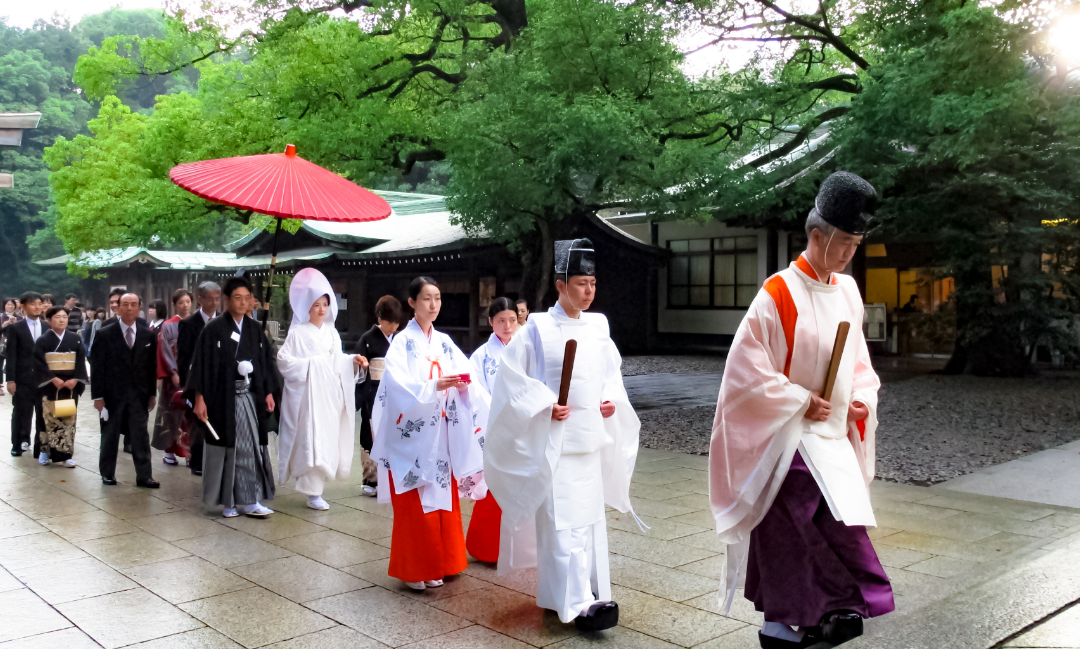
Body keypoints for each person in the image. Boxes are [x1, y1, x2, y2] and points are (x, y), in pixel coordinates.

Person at [709, 172, 893, 649]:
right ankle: (791, 619)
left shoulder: (849, 292)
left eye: (857, 242)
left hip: (830, 433)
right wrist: (797, 398)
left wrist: (860, 399)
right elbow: (744, 373)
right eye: (845, 242)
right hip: (785, 433)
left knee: (841, 518)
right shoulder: (777, 293)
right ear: (817, 235)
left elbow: (860, 364)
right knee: (794, 508)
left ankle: (826, 610)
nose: (851, 252)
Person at [484, 238, 639, 632]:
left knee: (586, 523)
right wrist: (543, 405)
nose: (588, 291)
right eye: (581, 283)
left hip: (589, 440)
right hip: (553, 442)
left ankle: (579, 595)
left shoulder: (599, 325)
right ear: (560, 284)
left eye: (593, 283)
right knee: (561, 525)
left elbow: (610, 374)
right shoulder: (536, 328)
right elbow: (511, 380)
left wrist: (609, 399)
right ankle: (575, 605)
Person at [371, 276, 488, 591]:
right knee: (415, 502)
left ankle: (443, 562)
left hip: (442, 434)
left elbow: (468, 376)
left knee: (441, 500)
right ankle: (416, 568)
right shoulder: (401, 343)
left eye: (437, 298)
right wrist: (434, 386)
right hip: (413, 437)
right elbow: (395, 386)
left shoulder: (445, 342)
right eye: (426, 298)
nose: (433, 304)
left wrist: (462, 384)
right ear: (412, 302)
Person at [186, 276, 278, 519]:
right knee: (227, 449)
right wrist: (199, 398)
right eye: (237, 298)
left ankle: (249, 500)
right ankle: (228, 501)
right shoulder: (213, 329)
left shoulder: (255, 330)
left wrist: (268, 390)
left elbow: (266, 362)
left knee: (249, 448)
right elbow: (201, 366)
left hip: (249, 397)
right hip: (221, 400)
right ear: (226, 300)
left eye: (247, 298)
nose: (242, 302)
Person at [277, 268, 368, 511]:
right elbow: (284, 362)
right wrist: (312, 365)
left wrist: (352, 361)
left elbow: (337, 360)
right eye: (316, 304)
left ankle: (317, 488)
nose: (321, 309)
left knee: (326, 437)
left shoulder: (332, 333)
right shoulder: (297, 333)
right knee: (309, 437)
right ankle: (312, 491)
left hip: (328, 395)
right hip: (307, 396)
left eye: (325, 304)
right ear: (307, 305)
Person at [464, 297, 518, 562]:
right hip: (494, 427)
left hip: (523, 428)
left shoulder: (525, 349)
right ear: (490, 323)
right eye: (500, 321)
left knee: (522, 486)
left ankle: (521, 548)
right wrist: (499, 414)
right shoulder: (481, 357)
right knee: (494, 486)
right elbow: (476, 393)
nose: (507, 326)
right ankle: (488, 548)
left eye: (512, 320)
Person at [91, 293, 160, 488]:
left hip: (139, 394)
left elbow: (151, 366)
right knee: (110, 434)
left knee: (140, 435)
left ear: (140, 307)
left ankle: (144, 475)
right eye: (125, 304)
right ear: (118, 307)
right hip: (112, 394)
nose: (129, 308)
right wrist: (98, 396)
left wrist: (152, 393)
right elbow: (97, 368)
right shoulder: (105, 333)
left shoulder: (148, 334)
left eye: (133, 305)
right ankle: (107, 473)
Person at [353, 295, 402, 497]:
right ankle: (370, 479)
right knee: (370, 433)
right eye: (390, 322)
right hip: (372, 391)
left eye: (397, 323)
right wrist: (361, 365)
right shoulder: (367, 339)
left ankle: (391, 477)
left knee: (394, 432)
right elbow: (357, 365)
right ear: (380, 318)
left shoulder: (399, 341)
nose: (393, 327)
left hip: (394, 393)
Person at [34, 306, 87, 467]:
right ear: (49, 321)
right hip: (50, 385)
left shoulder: (75, 338)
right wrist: (52, 378)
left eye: (64, 316)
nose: (62, 320)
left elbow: (80, 361)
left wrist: (76, 379)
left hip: (68, 386)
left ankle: (65, 454)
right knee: (46, 418)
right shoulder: (42, 340)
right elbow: (38, 363)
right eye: (57, 317)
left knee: (66, 419)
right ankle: (45, 451)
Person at [178, 281, 221, 476]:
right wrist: (189, 387)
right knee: (198, 424)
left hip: (220, 382)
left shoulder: (224, 322)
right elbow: (183, 357)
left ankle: (218, 461)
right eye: (209, 299)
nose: (213, 303)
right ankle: (197, 463)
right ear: (200, 300)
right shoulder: (188, 324)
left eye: (217, 299)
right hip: (198, 381)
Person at [152, 289, 193, 466]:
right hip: (173, 377)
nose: (185, 305)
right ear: (175, 305)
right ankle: (170, 452)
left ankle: (191, 452)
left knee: (190, 415)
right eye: (181, 302)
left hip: (192, 375)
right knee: (171, 414)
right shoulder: (168, 325)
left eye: (187, 302)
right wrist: (173, 371)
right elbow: (165, 350)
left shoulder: (196, 323)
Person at [7, 292, 45, 457]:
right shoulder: (16, 328)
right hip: (23, 379)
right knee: (21, 412)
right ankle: (17, 444)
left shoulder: (47, 327)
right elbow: (11, 355)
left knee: (43, 414)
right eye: (32, 303)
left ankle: (40, 447)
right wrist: (10, 379)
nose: (36, 307)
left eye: (39, 303)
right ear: (23, 307)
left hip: (43, 379)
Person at [1, 298, 22, 396]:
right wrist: (3, 325)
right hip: (2, 343)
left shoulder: (20, 317)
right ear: (4, 306)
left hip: (16, 343)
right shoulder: (1, 316)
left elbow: (22, 330)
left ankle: (15, 382)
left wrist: (16, 323)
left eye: (12, 305)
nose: (10, 306)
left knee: (15, 362)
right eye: (8, 305)